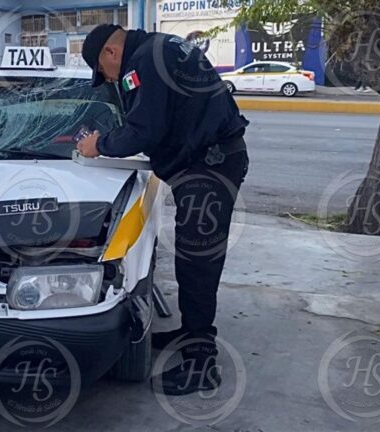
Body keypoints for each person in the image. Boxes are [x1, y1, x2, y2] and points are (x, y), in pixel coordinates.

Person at [77, 24, 249, 395]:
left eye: (104, 73)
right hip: (214, 160)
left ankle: (201, 365)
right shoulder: (161, 47)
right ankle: (191, 335)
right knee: (194, 258)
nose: (109, 80)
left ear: (110, 53)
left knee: (197, 263)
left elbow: (144, 129)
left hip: (209, 168)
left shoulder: (142, 63)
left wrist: (99, 144)